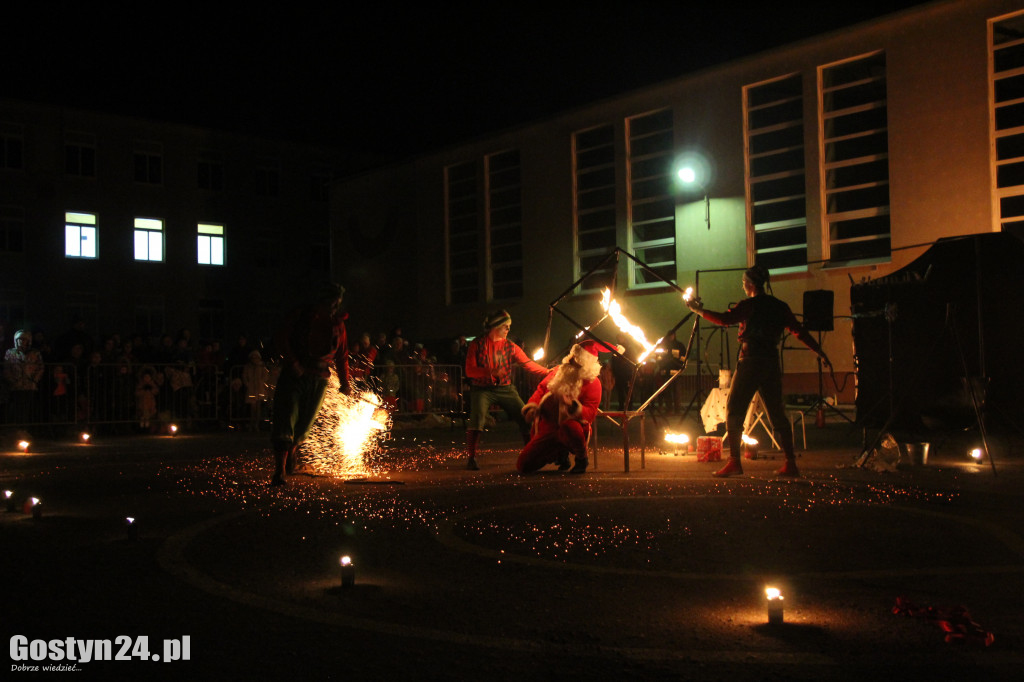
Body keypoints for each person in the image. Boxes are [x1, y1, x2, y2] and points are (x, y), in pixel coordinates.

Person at [685, 265, 830, 478]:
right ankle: (790, 463)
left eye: (744, 282)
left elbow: (725, 320)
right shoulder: (780, 306)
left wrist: (697, 310)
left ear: (750, 284)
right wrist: (820, 351)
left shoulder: (749, 305)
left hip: (751, 361)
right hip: (771, 362)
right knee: (776, 413)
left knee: (734, 410)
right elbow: (799, 331)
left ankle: (735, 461)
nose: (742, 285)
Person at [269, 283, 351, 485]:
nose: (336, 304)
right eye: (333, 299)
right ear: (324, 299)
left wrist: (345, 382)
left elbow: (342, 356)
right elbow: (282, 338)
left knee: (305, 423)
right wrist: (293, 362)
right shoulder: (302, 315)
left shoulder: (338, 324)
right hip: (296, 374)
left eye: (338, 301)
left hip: (319, 379)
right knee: (286, 418)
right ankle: (279, 471)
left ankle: (293, 452)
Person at [463, 310, 547, 470]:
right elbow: (469, 370)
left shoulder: (510, 346)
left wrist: (547, 371)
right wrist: (491, 371)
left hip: (505, 388)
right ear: (496, 327)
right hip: (482, 389)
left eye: (509, 327)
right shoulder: (476, 344)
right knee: (477, 419)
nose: (508, 329)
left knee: (524, 416)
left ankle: (530, 453)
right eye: (506, 326)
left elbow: (527, 363)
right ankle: (471, 457)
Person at [516, 341, 610, 474]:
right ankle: (558, 453)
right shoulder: (558, 372)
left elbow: (590, 413)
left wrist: (574, 407)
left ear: (586, 364)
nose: (571, 359)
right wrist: (532, 406)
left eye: (577, 358)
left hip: (572, 428)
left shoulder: (593, 383)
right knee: (523, 466)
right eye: (572, 355)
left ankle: (581, 458)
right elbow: (541, 390)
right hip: (549, 427)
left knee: (569, 426)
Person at [3, 329, 44, 424]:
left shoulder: (35, 353)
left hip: (30, 385)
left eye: (24, 339)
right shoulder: (10, 353)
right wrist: (12, 381)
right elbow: (6, 368)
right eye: (19, 339)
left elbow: (40, 367)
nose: (21, 341)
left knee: (28, 408)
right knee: (16, 409)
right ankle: (17, 429)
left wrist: (34, 380)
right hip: (16, 386)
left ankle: (26, 429)